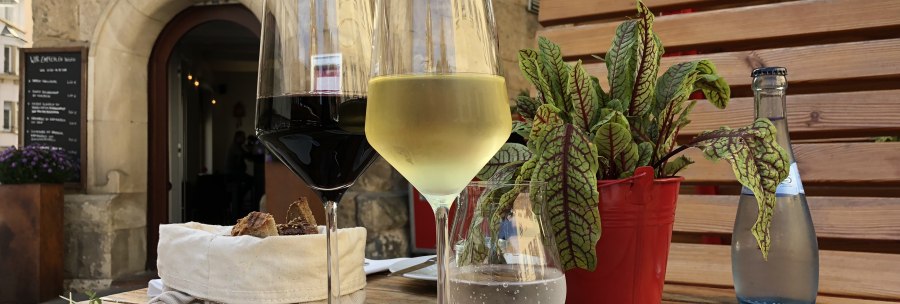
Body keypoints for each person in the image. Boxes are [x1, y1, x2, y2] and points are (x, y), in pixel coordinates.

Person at [226, 131, 251, 222]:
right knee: (251, 181)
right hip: (233, 174)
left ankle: (240, 198)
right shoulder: (235, 147)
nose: (244, 139)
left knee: (249, 181)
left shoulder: (238, 146)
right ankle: (240, 199)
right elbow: (244, 155)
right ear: (237, 137)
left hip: (237, 174)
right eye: (242, 137)